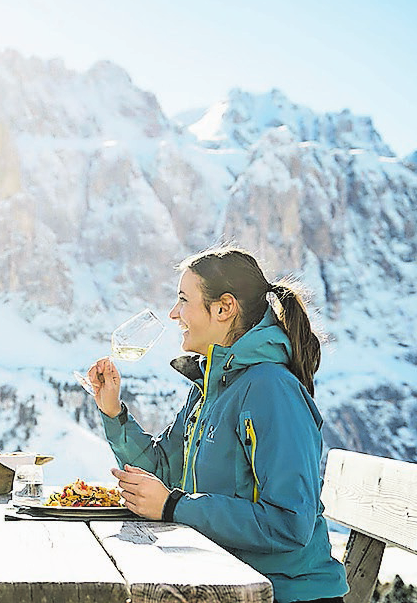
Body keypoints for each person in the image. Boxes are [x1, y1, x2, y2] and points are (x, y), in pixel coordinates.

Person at [88, 246, 348, 603]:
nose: (173, 313)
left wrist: (175, 507)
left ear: (224, 309)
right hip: (225, 581)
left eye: (183, 300)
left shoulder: (271, 390)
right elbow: (163, 472)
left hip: (283, 594)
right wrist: (114, 413)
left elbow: (291, 523)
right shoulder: (210, 388)